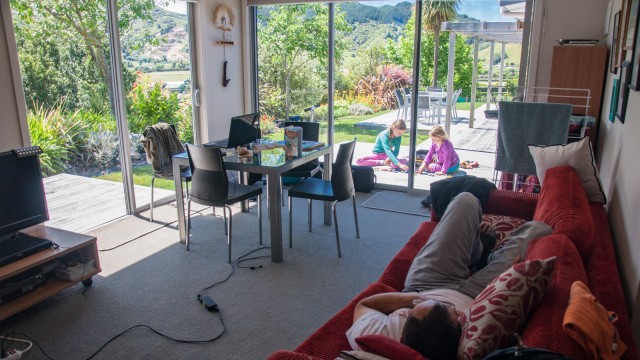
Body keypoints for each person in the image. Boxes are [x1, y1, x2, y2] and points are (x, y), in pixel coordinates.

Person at [346, 192, 552, 360]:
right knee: (538, 230)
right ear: (459, 324)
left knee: (466, 200)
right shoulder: (467, 343)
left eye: (413, 310)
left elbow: (364, 306)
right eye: (447, 308)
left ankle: (477, 253)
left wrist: (412, 298)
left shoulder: (378, 334)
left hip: (426, 282)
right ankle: (489, 259)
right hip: (477, 295)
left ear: (403, 328)